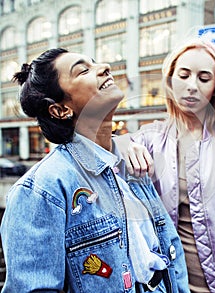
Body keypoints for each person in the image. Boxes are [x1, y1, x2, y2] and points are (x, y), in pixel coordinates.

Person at [0, 48, 190, 293]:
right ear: (60, 110)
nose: (105, 66)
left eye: (95, 62)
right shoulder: (42, 190)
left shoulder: (132, 164)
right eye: (83, 70)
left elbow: (170, 249)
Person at [116, 38, 215, 293]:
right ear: (170, 80)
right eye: (184, 75)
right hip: (163, 286)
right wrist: (122, 144)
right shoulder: (150, 138)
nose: (191, 86)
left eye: (203, 78)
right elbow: (102, 157)